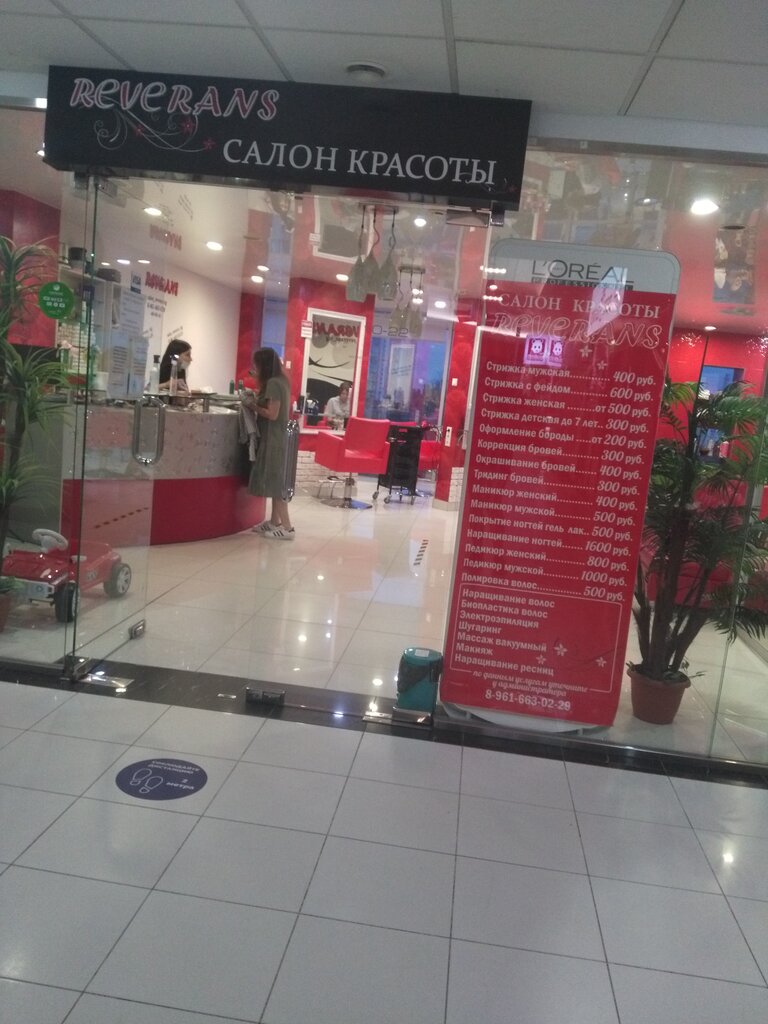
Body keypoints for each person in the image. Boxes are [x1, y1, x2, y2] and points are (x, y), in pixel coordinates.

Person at [246, 347, 294, 540]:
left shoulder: (273, 383)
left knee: (275, 483)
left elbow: (272, 414)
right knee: (275, 482)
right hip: (276, 437)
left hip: (273, 437)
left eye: (256, 365)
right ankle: (274, 522)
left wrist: (251, 405)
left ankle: (287, 528)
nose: (254, 368)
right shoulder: (282, 380)